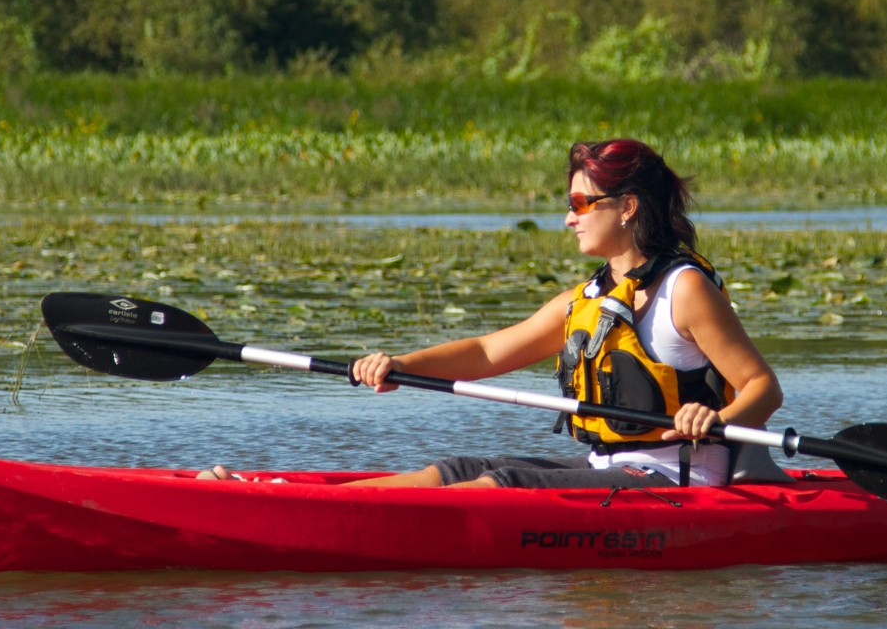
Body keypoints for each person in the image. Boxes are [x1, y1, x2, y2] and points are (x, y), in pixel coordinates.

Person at [200, 139, 783, 488]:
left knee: (501, 484)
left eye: (581, 203)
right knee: (454, 469)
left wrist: (715, 415)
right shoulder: (586, 301)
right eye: (569, 204)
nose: (569, 217)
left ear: (627, 207)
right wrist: (400, 364)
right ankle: (286, 496)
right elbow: (484, 353)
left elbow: (762, 387)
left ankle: (296, 510)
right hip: (606, 466)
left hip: (675, 481)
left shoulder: (685, 289)